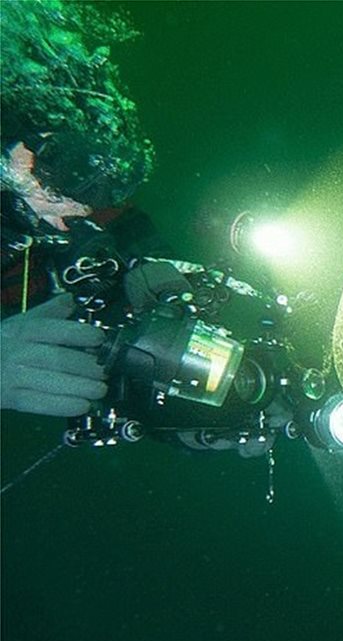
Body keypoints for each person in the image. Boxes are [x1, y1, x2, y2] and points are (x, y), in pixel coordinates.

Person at [0, 1, 285, 457]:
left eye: (93, 193)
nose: (68, 215)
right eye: (53, 171)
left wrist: (200, 413)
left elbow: (153, 337)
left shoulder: (89, 210)